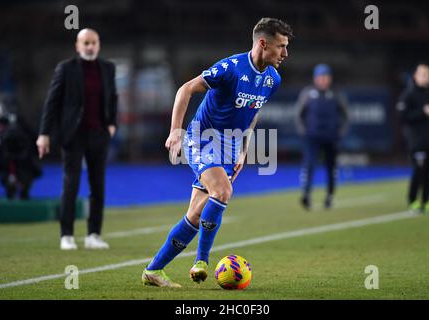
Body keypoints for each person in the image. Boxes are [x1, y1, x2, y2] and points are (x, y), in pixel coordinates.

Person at [141, 17, 293, 288]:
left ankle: (154, 270)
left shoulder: (273, 79)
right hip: (202, 139)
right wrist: (176, 130)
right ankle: (202, 261)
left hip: (231, 146)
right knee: (222, 192)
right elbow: (185, 89)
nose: (285, 53)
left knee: (196, 215)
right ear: (263, 43)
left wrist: (244, 149)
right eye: (281, 46)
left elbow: (253, 112)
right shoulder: (230, 68)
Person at [37, 28, 118, 250]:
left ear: (99, 44)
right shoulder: (66, 69)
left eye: (93, 42)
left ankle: (93, 235)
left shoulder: (108, 68)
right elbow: (52, 102)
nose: (90, 47)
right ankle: (67, 235)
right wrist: (44, 134)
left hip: (99, 134)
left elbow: (113, 97)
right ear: (78, 46)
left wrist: (112, 124)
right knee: (70, 184)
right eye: (86, 43)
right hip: (73, 135)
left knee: (98, 186)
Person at [294, 63, 349, 210]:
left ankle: (329, 196)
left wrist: (340, 132)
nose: (323, 80)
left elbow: (346, 115)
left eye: (325, 77)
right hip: (312, 137)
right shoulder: (308, 93)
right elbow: (298, 114)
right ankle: (306, 195)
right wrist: (304, 132)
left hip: (331, 137)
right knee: (309, 165)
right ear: (315, 79)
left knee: (331, 168)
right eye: (320, 77)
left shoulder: (336, 94)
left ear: (330, 79)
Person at [397, 63, 429, 213]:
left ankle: (427, 201)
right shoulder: (409, 95)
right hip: (417, 140)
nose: (426, 77)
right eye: (422, 74)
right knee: (419, 170)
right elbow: (402, 117)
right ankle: (413, 201)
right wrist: (422, 112)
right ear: (415, 76)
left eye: (428, 74)